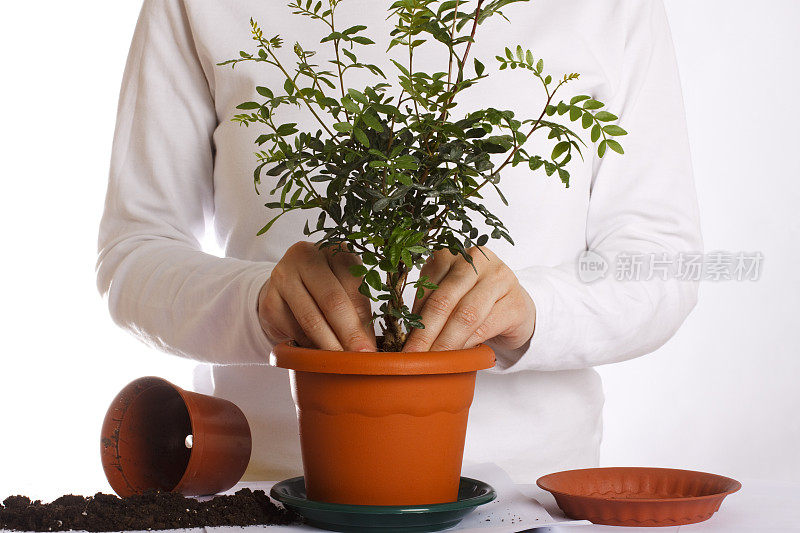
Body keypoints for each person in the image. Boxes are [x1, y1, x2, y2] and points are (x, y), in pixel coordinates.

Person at [97, 0, 701, 483]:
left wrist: (532, 310)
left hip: (539, 495)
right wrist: (258, 302)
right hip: (262, 488)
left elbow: (664, 261)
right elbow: (133, 253)